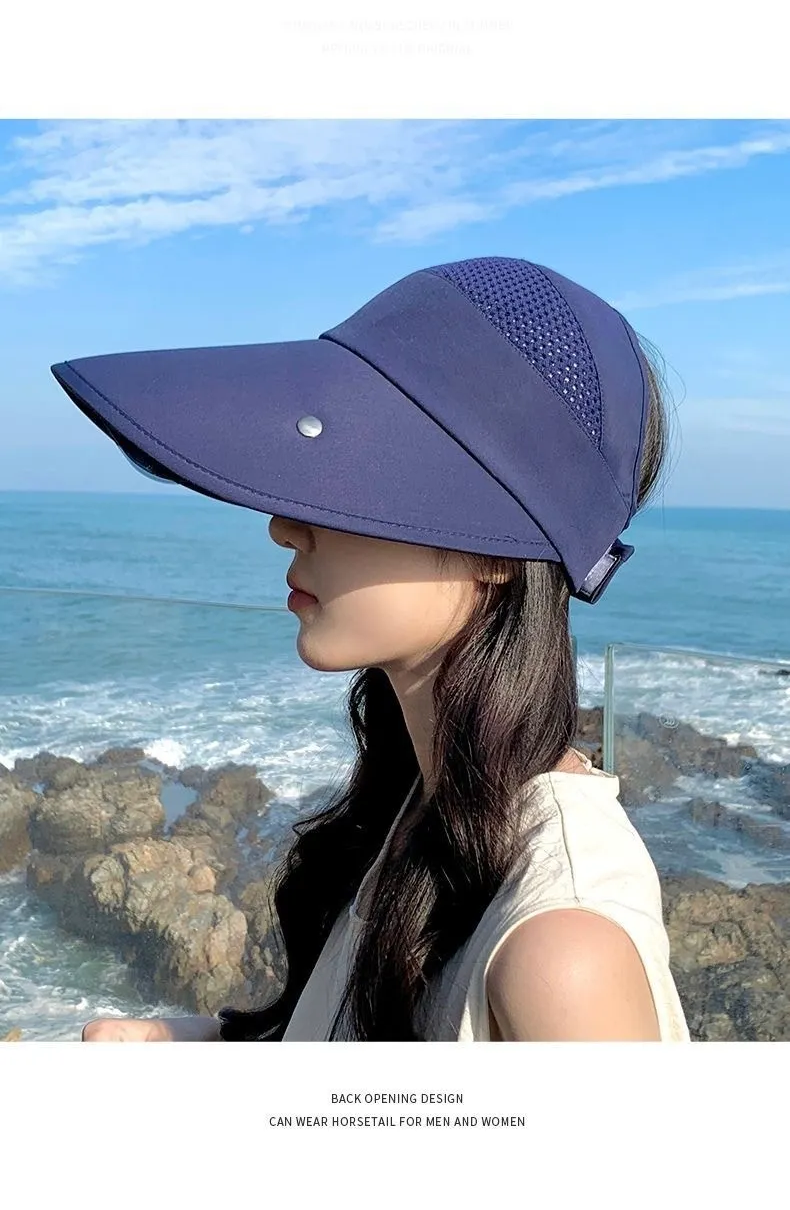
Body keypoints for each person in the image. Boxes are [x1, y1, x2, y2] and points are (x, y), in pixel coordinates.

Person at [52, 254, 690, 1043]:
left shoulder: (560, 954)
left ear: (501, 550)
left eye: (363, 476)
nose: (285, 525)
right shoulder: (428, 804)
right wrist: (179, 1045)